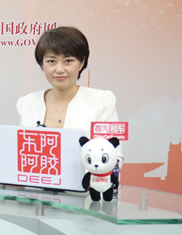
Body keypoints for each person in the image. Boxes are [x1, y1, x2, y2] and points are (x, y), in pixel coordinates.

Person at [16, 26, 123, 161]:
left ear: (81, 63)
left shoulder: (102, 101)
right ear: (42, 64)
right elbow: (22, 156)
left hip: (87, 176)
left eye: (68, 61)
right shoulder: (28, 103)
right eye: (51, 61)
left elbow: (114, 156)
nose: (59, 69)